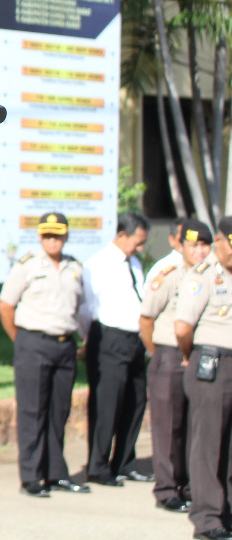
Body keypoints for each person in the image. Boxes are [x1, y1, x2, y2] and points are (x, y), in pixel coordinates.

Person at [0, 212, 89, 497]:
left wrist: (84, 339)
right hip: (33, 342)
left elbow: (81, 307)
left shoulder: (75, 267)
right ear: (40, 237)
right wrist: (21, 340)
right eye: (48, 235)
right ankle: (31, 477)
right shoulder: (27, 265)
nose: (53, 240)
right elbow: (5, 306)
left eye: (58, 235)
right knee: (32, 411)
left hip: (64, 345)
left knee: (59, 411)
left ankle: (55, 473)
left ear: (66, 236)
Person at [140, 218, 207, 514]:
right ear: (181, 246)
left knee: (196, 427)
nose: (200, 251)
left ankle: (191, 486)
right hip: (168, 355)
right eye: (194, 245)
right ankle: (167, 489)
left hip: (199, 356)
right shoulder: (168, 274)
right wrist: (158, 353)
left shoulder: (210, 275)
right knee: (168, 428)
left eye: (205, 245)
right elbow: (146, 319)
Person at [81, 210, 152, 486]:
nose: (140, 247)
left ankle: (124, 462)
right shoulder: (97, 264)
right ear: (121, 235)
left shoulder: (134, 262)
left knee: (135, 400)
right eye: (137, 241)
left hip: (135, 339)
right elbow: (86, 307)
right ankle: (98, 466)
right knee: (106, 403)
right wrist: (90, 338)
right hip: (108, 337)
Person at [175, 217, 232, 540]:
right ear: (220, 242)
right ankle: (208, 519)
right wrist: (190, 355)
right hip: (212, 363)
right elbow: (183, 328)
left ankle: (228, 512)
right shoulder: (203, 276)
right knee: (208, 446)